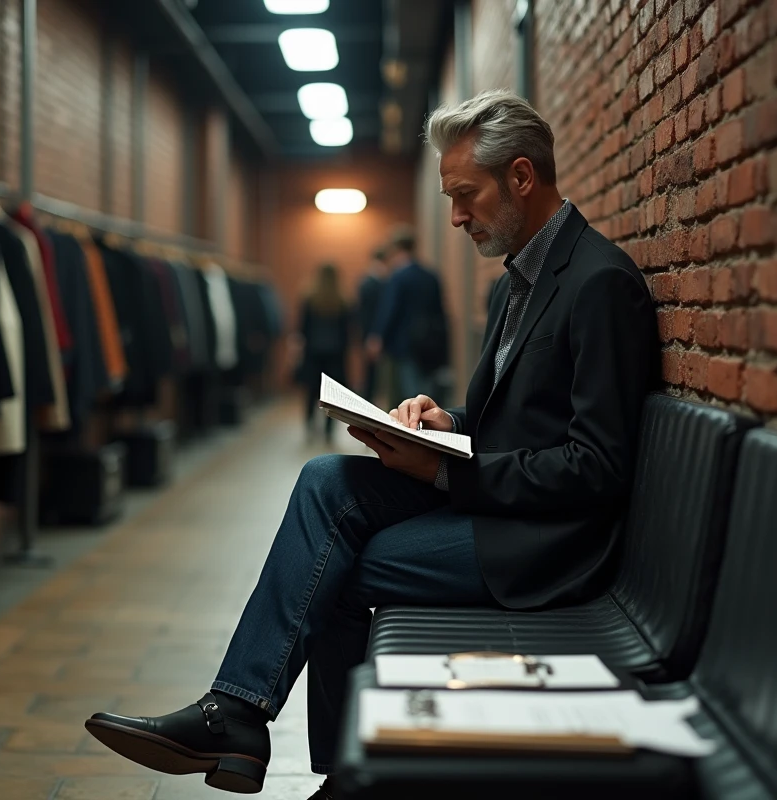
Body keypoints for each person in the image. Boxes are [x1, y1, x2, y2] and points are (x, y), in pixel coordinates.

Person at [84, 88, 659, 799]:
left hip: (545, 545)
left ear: (520, 176)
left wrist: (449, 474)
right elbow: (522, 417)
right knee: (326, 479)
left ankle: (330, 770)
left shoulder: (599, 283)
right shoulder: (517, 284)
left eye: (465, 194)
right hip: (499, 505)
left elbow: (598, 467)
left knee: (338, 572)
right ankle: (239, 714)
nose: (454, 216)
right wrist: (445, 423)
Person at [366, 225, 447, 402]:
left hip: (403, 344)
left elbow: (389, 310)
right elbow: (440, 311)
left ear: (396, 249)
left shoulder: (398, 277)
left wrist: (377, 336)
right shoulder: (430, 276)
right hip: (430, 344)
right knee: (426, 389)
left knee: (407, 392)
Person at [296, 264, 351, 440]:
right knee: (332, 395)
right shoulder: (342, 300)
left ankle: (310, 425)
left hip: (313, 351)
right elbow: (348, 330)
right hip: (336, 353)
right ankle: (329, 430)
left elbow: (302, 327)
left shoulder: (309, 298)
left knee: (311, 391)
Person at [356, 246, 388, 402]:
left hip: (369, 334)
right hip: (373, 335)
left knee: (372, 373)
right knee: (371, 374)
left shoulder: (367, 282)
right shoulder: (374, 283)